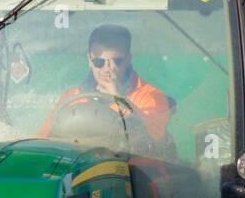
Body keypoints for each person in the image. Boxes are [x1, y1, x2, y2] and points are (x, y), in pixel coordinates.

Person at [40, 24, 173, 144]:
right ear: (89, 61)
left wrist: (117, 97)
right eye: (99, 62)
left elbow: (149, 145)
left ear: (128, 60)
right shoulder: (71, 97)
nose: (108, 69)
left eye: (117, 61)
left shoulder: (151, 97)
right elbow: (44, 140)